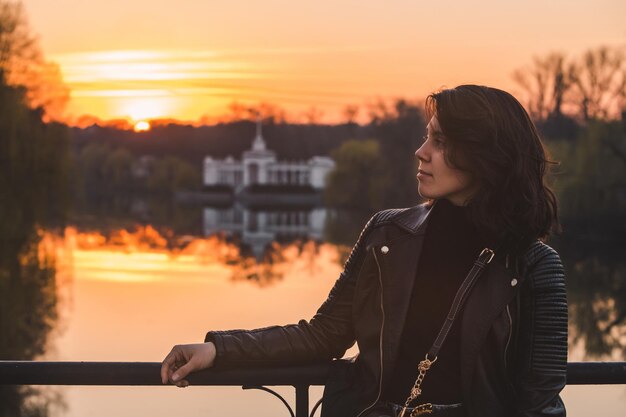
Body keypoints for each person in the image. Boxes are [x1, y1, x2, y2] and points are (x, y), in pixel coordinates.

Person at [161, 84, 568, 417]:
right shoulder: (388, 234)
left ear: (485, 157)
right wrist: (218, 349)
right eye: (428, 136)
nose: (421, 151)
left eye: (440, 142)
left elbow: (538, 404)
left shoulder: (535, 266)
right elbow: (323, 334)